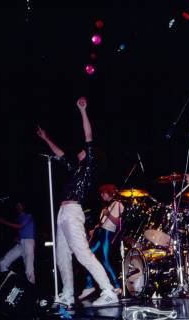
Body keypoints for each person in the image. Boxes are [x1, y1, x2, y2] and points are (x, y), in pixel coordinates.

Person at [36, 97, 118, 308]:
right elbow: (61, 154)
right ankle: (67, 294)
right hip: (63, 212)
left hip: (72, 211)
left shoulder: (89, 166)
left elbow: (88, 135)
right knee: (62, 256)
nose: (81, 150)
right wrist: (46, 138)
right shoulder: (76, 170)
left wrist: (82, 110)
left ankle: (108, 291)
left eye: (84, 150)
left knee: (82, 253)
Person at [79, 184, 124, 300]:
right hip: (100, 232)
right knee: (88, 256)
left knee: (105, 260)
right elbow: (103, 222)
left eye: (103, 193)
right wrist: (95, 229)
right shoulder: (108, 206)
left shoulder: (117, 204)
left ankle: (117, 286)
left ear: (109, 193)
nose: (101, 195)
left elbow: (118, 224)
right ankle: (88, 285)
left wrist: (108, 214)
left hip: (107, 233)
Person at [0, 201, 36, 284]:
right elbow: (23, 229)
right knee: (3, 263)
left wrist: (4, 222)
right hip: (21, 244)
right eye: (17, 205)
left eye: (20, 205)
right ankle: (8, 284)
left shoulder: (28, 215)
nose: (18, 207)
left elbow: (21, 226)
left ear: (24, 206)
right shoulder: (19, 217)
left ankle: (32, 293)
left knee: (29, 270)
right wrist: (18, 238)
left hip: (28, 243)